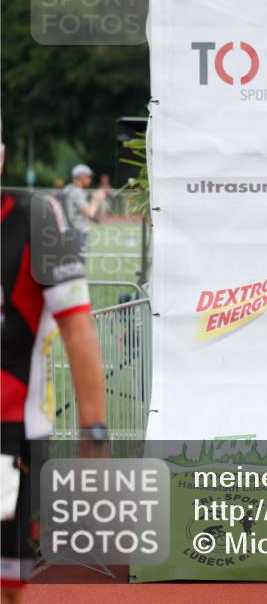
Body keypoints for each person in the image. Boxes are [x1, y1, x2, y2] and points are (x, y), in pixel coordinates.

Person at [2, 173, 108, 602]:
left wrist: (95, 438)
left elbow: (79, 332)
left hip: (11, 434)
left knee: (8, 585)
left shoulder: (35, 219)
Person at [61, 164, 106, 249]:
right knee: (80, 260)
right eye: (88, 176)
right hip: (78, 232)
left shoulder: (67, 189)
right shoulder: (77, 192)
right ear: (81, 177)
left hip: (68, 231)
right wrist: (96, 199)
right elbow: (90, 213)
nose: (90, 179)